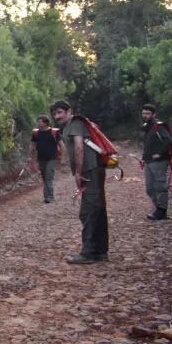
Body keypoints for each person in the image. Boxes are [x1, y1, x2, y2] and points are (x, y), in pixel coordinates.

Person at [50, 100, 108, 264]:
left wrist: (78, 172)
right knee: (97, 209)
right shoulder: (67, 127)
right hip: (92, 170)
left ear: (69, 111)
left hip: (90, 170)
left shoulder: (75, 123)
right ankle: (100, 251)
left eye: (60, 112)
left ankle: (89, 253)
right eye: (54, 114)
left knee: (89, 211)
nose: (57, 116)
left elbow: (79, 147)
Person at [141, 103, 172, 221]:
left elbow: (169, 141)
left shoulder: (159, 126)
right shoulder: (147, 126)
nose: (145, 115)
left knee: (160, 186)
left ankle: (161, 211)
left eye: (148, 113)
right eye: (144, 113)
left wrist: (160, 153)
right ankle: (158, 208)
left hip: (159, 161)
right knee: (149, 188)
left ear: (154, 114)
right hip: (148, 161)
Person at [30, 115, 62, 203]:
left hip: (52, 158)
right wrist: (31, 158)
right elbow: (32, 145)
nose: (39, 123)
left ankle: (49, 197)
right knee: (44, 177)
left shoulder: (53, 132)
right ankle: (48, 195)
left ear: (46, 123)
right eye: (38, 121)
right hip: (41, 158)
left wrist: (63, 157)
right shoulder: (36, 133)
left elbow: (61, 144)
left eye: (40, 121)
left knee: (48, 177)